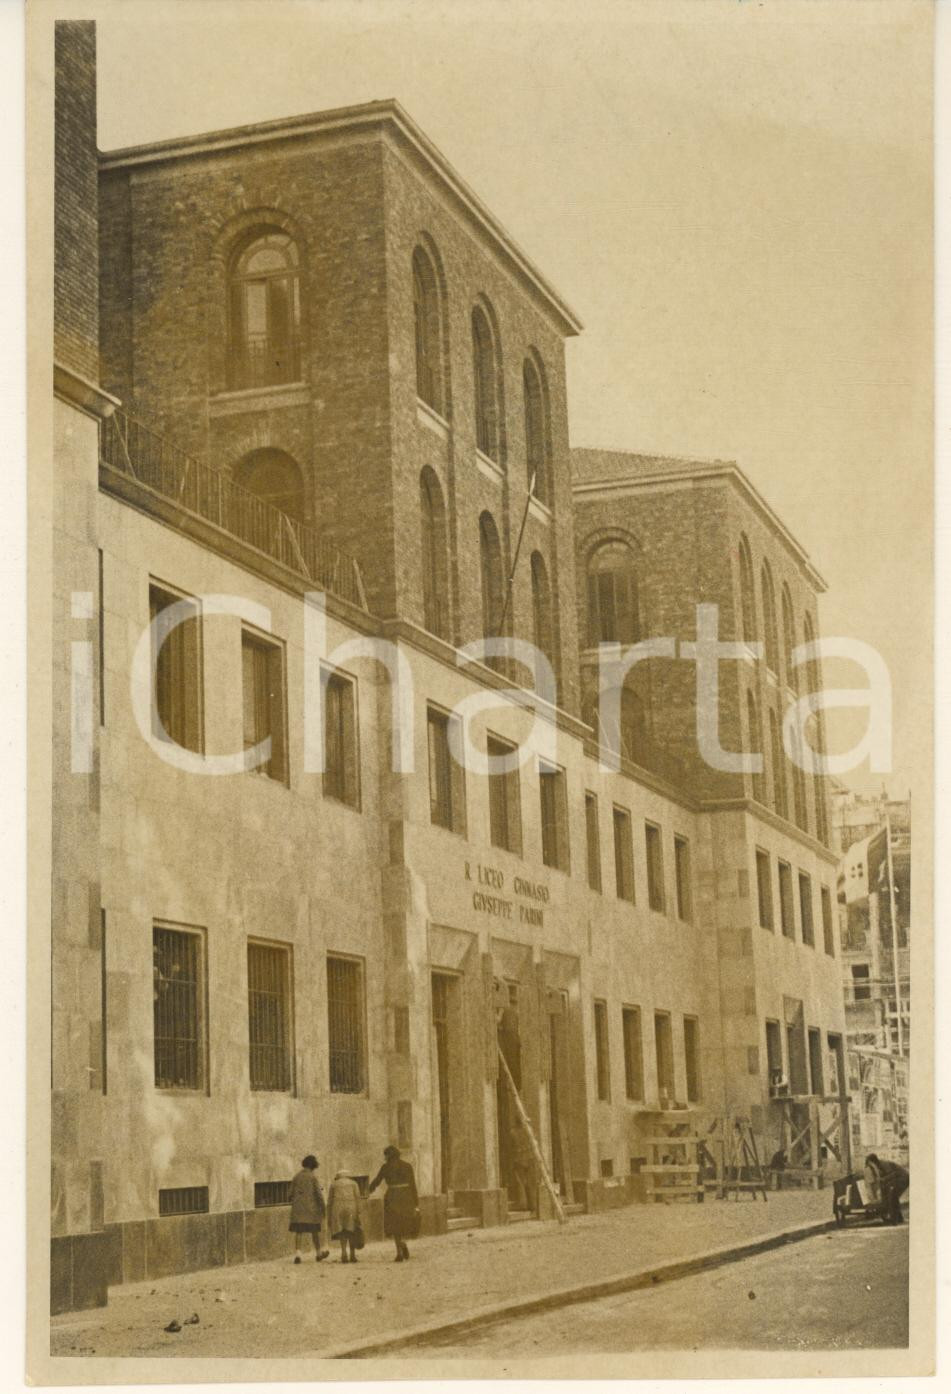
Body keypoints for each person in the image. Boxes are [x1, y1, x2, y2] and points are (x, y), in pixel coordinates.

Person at [368, 1144, 419, 1262]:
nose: (384, 1157)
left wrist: (367, 1191)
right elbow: (413, 1185)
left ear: (388, 1155)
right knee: (404, 1222)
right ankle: (404, 1243)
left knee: (395, 1225)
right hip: (406, 1197)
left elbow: (377, 1181)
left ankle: (399, 1252)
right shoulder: (407, 1166)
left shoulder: (385, 1167)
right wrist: (416, 1202)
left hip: (392, 1197)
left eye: (385, 1155)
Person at [289, 1155, 329, 1263]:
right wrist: (323, 1207)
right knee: (315, 1232)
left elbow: (290, 1194)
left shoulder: (296, 1177)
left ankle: (298, 1255)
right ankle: (318, 1253)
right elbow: (319, 1194)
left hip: (298, 1210)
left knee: (299, 1232)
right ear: (313, 1166)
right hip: (311, 1210)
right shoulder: (313, 1177)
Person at [328, 1168, 363, 1263]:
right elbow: (358, 1198)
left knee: (342, 1231)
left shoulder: (333, 1184)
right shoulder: (353, 1183)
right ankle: (352, 1255)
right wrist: (359, 1212)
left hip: (337, 1207)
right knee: (351, 1230)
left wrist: (329, 1215)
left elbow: (330, 1201)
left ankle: (344, 1253)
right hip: (351, 1207)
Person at [864, 1153, 909, 1225]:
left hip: (903, 1178)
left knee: (892, 1197)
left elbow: (894, 1174)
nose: (871, 1166)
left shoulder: (884, 1164)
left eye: (870, 1164)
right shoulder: (878, 1166)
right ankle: (899, 1218)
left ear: (874, 1161)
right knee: (894, 1197)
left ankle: (894, 1219)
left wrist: (883, 1179)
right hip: (900, 1178)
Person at [510, 1118, 538, 1215]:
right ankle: (533, 1205)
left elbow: (511, 1147)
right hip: (530, 1159)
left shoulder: (513, 1132)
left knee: (520, 1182)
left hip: (519, 1159)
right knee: (530, 1182)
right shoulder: (529, 1132)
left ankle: (523, 1204)